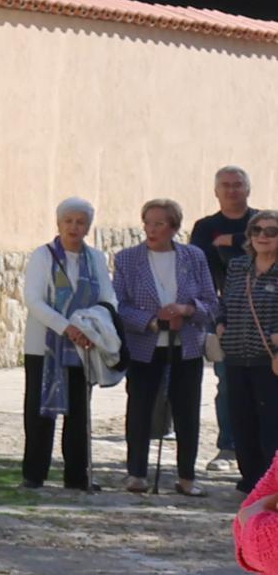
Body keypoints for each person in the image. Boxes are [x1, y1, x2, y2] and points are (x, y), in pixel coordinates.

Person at [115, 198, 220, 497]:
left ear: (174, 227)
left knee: (186, 411)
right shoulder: (127, 259)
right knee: (140, 408)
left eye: (159, 223)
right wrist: (153, 322)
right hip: (145, 346)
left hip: (185, 346)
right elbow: (120, 305)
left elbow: (211, 304)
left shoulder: (193, 257)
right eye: (148, 222)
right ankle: (136, 473)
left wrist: (186, 311)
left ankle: (187, 476)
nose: (152, 229)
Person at [21, 198, 113, 493]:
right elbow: (34, 300)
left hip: (84, 346)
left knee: (79, 412)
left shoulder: (95, 259)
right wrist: (67, 327)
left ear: (88, 226)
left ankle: (77, 475)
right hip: (45, 346)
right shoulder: (43, 256)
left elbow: (108, 298)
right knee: (40, 411)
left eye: (80, 222)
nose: (74, 227)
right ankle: (34, 474)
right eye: (69, 221)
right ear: (58, 224)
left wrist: (89, 326)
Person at [224, 215, 278, 500]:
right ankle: (250, 480)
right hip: (235, 355)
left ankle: (271, 483)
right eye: (257, 230)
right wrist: (221, 324)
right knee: (241, 421)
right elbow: (226, 302)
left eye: (271, 231)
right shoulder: (238, 267)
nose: (263, 236)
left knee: (271, 424)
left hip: (269, 360)